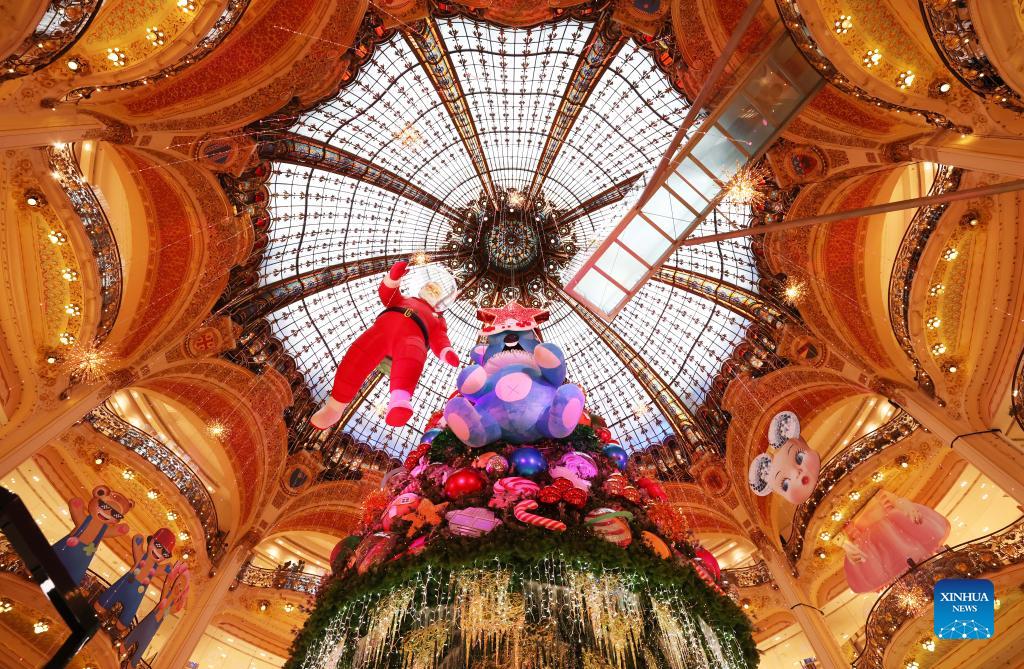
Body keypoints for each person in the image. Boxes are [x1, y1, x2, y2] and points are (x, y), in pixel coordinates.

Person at [311, 260, 460, 428]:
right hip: (382, 330)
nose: (432, 291)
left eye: (436, 291)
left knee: (413, 357)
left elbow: (440, 337)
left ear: (441, 300)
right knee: (356, 357)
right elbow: (387, 294)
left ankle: (399, 402)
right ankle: (334, 407)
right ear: (421, 288)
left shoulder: (437, 318)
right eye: (430, 287)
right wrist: (394, 277)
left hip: (412, 339)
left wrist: (446, 351)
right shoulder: (403, 299)